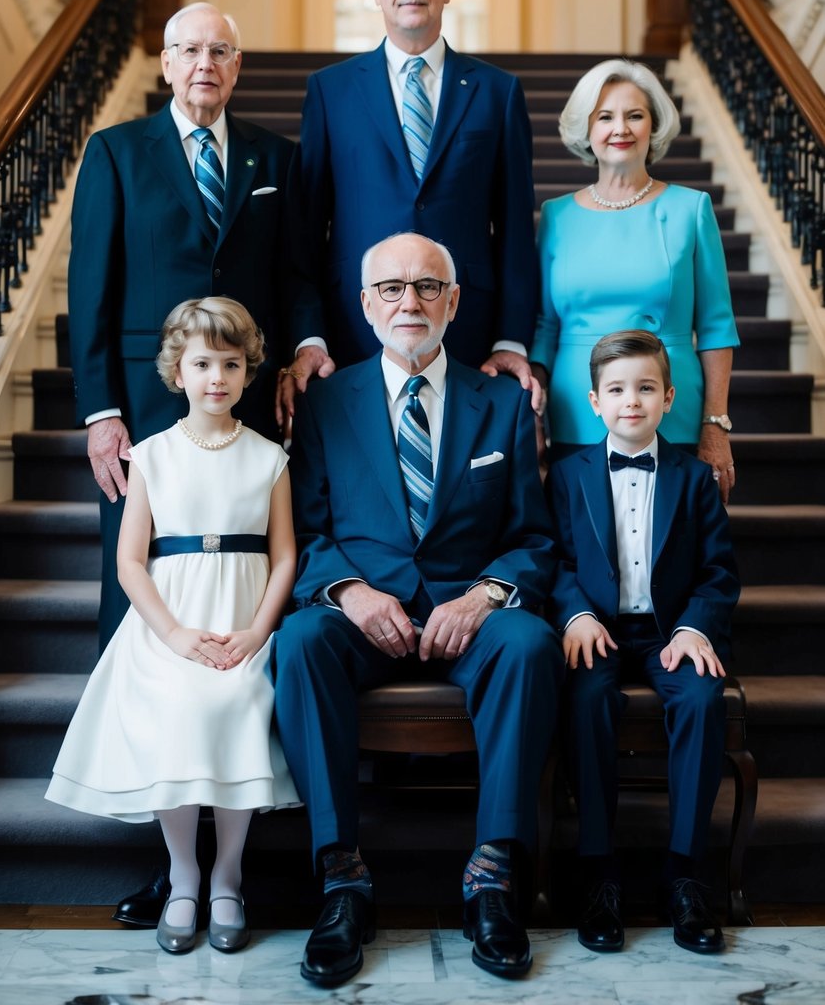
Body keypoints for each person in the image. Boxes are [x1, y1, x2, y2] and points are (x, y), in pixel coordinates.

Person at [272, 231, 563, 988]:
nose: (411, 301)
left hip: (467, 614)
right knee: (301, 640)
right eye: (392, 288)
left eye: (428, 287)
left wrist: (482, 596)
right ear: (365, 306)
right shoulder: (327, 402)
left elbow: (532, 536)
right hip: (364, 615)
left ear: (454, 302)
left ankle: (492, 876)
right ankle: (342, 878)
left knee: (529, 644)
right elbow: (308, 528)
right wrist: (351, 592)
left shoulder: (501, 401)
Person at [46, 297, 300, 955]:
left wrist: (254, 634)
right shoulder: (152, 456)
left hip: (244, 617)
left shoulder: (270, 458)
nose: (217, 376)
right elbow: (130, 563)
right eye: (203, 363)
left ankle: (228, 875)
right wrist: (175, 635)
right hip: (171, 622)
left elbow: (284, 558)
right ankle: (184, 873)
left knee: (244, 695)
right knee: (183, 701)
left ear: (249, 373)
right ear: (177, 372)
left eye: (232, 364)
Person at [68, 1, 296, 654]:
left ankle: (238, 679)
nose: (205, 63)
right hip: (143, 396)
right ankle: (131, 706)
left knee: (244, 542)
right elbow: (91, 289)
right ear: (166, 63)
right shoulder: (115, 153)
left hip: (246, 389)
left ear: (237, 66)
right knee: (136, 549)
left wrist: (298, 355)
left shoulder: (275, 159)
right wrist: (101, 411)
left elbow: (293, 276)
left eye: (219, 51)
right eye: (190, 50)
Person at [279, 0, 541, 427]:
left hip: (467, 325)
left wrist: (510, 337)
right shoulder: (330, 91)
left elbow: (513, 228)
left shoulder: (497, 92)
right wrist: (310, 335)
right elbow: (306, 232)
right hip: (356, 325)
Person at [546, 330, 740, 956]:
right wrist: (573, 615)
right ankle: (599, 873)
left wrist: (693, 628)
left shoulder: (694, 477)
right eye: (618, 390)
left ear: (670, 397)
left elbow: (718, 571)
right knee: (586, 700)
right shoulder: (568, 475)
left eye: (646, 388)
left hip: (670, 632)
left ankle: (685, 872)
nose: (633, 401)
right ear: (595, 401)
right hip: (596, 631)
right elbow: (555, 562)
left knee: (703, 700)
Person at [529, 58, 739, 501]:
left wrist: (715, 423)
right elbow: (546, 326)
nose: (619, 128)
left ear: (653, 126)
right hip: (578, 405)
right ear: (587, 130)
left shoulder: (691, 209)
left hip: (668, 403)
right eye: (604, 116)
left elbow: (717, 326)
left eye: (634, 115)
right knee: (582, 549)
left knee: (671, 547)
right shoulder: (556, 216)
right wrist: (533, 410)